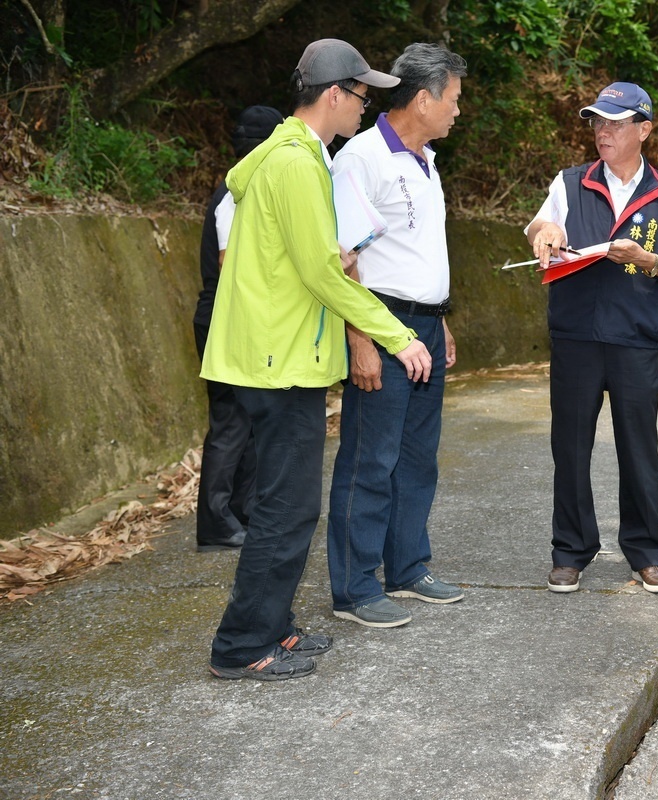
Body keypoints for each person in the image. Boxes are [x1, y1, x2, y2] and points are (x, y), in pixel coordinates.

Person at [201, 39, 433, 681]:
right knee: (286, 507)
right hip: (279, 361)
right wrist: (396, 336)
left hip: (273, 355)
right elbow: (322, 274)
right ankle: (242, 644)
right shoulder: (298, 164)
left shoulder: (286, 157)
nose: (365, 109)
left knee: (287, 503)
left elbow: (309, 258)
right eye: (362, 96)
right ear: (334, 95)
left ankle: (274, 629)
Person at [525, 82, 658, 595]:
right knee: (570, 447)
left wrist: (646, 260)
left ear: (643, 130)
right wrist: (544, 235)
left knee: (638, 448)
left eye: (616, 122)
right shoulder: (571, 181)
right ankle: (571, 550)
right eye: (597, 122)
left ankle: (645, 549)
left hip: (635, 339)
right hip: (576, 336)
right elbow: (539, 224)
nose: (603, 131)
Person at [326, 43, 468, 628]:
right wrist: (360, 340)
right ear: (425, 97)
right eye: (455, 99)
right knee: (370, 458)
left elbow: (417, 252)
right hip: (382, 325)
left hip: (426, 325)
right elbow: (343, 261)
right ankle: (355, 587)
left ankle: (407, 567)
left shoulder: (427, 160)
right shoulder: (362, 157)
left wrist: (442, 319)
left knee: (417, 457)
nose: (459, 110)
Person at [192, 105, 283, 552]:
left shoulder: (242, 188)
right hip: (222, 319)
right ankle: (214, 523)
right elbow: (231, 264)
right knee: (230, 422)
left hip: (234, 317)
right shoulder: (235, 194)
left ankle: (239, 512)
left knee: (247, 421)